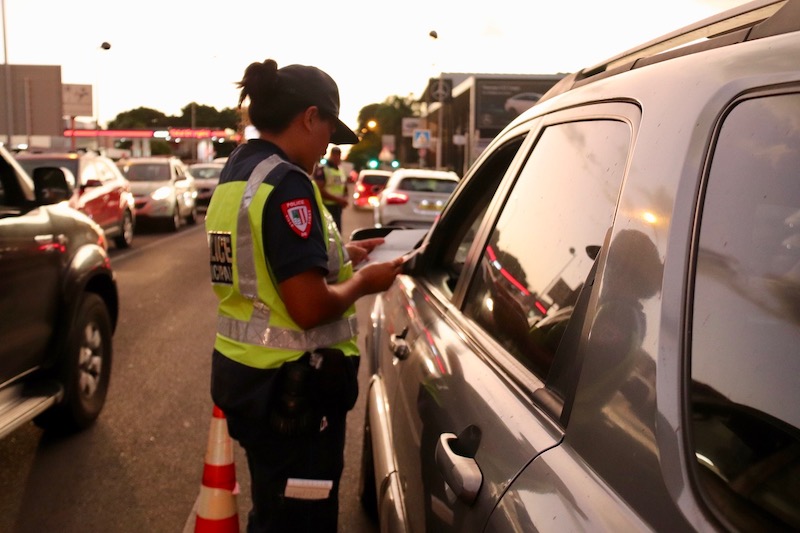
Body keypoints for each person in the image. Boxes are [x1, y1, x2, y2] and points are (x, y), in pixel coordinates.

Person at [205, 58, 403, 532]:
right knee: (299, 521)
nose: (325, 153)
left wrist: (345, 255)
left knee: (274, 511)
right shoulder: (288, 183)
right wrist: (363, 284)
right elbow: (309, 307)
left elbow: (263, 270)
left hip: (247, 379)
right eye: (329, 135)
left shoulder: (241, 171)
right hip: (290, 395)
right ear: (310, 117)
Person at [313, 145, 349, 231]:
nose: (337, 157)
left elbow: (343, 186)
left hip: (337, 207)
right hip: (326, 207)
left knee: (337, 232)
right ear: (331, 155)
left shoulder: (340, 169)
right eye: (335, 155)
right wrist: (338, 199)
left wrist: (345, 197)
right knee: (328, 232)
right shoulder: (322, 169)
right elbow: (319, 190)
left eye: (338, 155)